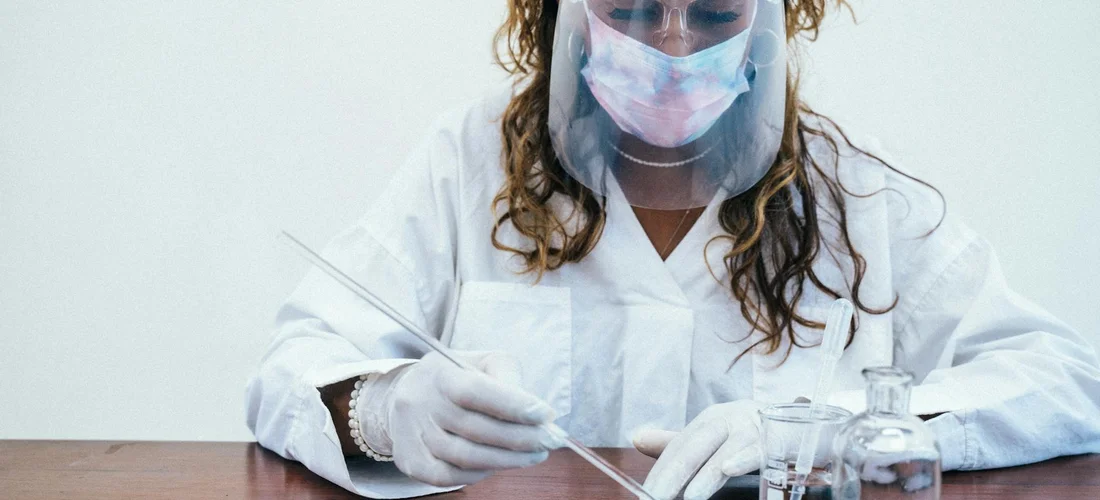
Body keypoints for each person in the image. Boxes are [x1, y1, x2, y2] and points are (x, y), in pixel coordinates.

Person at [245, 0, 1100, 499]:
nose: (675, 45)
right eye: (635, 8)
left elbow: (1063, 384)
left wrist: (831, 430)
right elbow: (291, 369)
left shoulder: (855, 195)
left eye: (716, 11)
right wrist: (383, 409)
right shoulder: (466, 164)